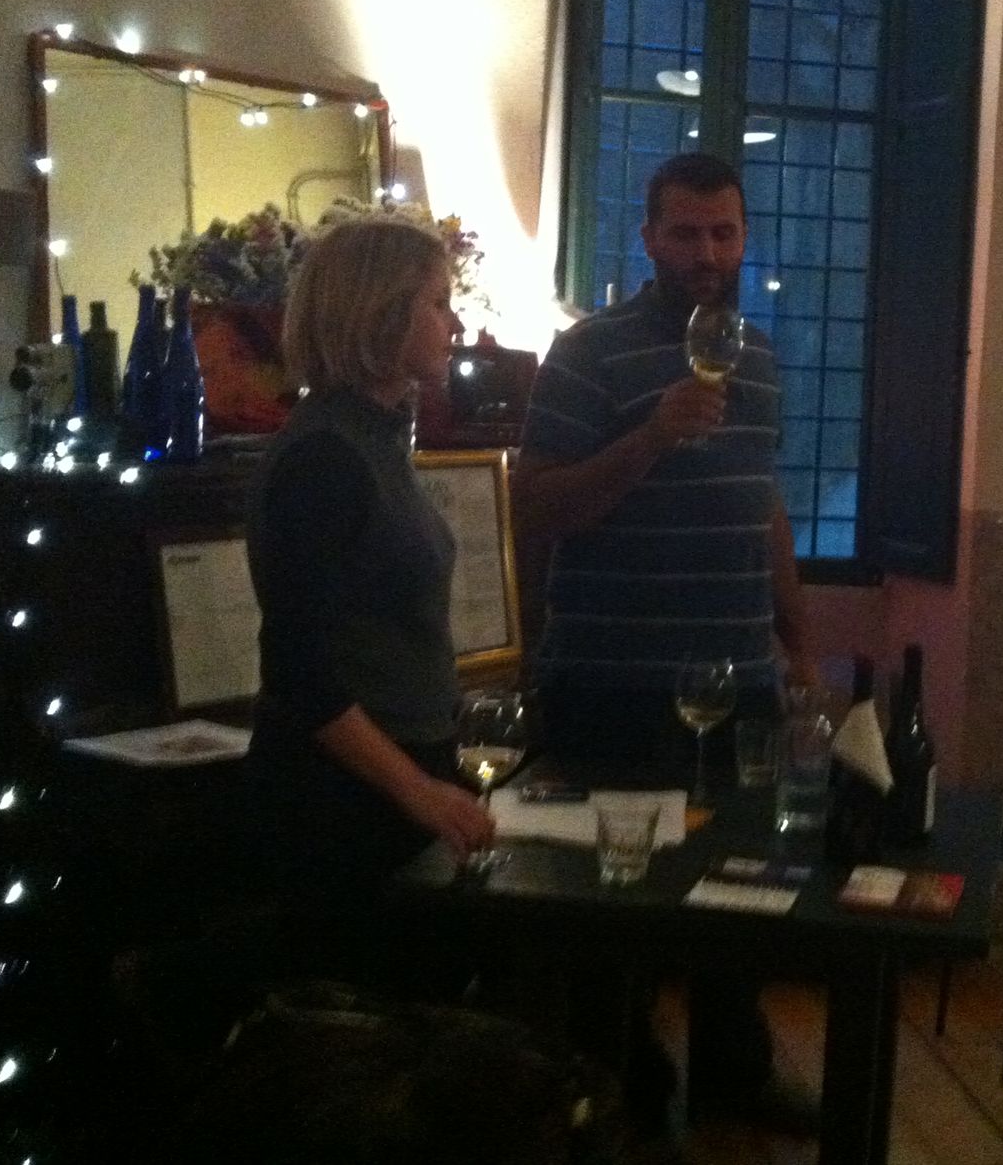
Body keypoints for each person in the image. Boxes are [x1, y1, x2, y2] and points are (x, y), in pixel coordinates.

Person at [513, 151, 814, 1132]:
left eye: (723, 231)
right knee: (611, 907)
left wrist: (798, 643)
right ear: (648, 238)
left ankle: (735, 1073)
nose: (707, 251)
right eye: (686, 232)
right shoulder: (587, 353)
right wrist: (649, 436)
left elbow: (762, 503)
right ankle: (618, 1089)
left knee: (742, 890)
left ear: (743, 236)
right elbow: (537, 508)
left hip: (739, 679)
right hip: (614, 683)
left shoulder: (758, 355)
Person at [243, 215, 495, 984]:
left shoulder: (376, 438)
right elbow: (299, 671)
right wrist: (418, 790)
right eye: (438, 303)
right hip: (343, 798)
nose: (455, 324)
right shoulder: (326, 455)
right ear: (381, 312)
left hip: (392, 778)